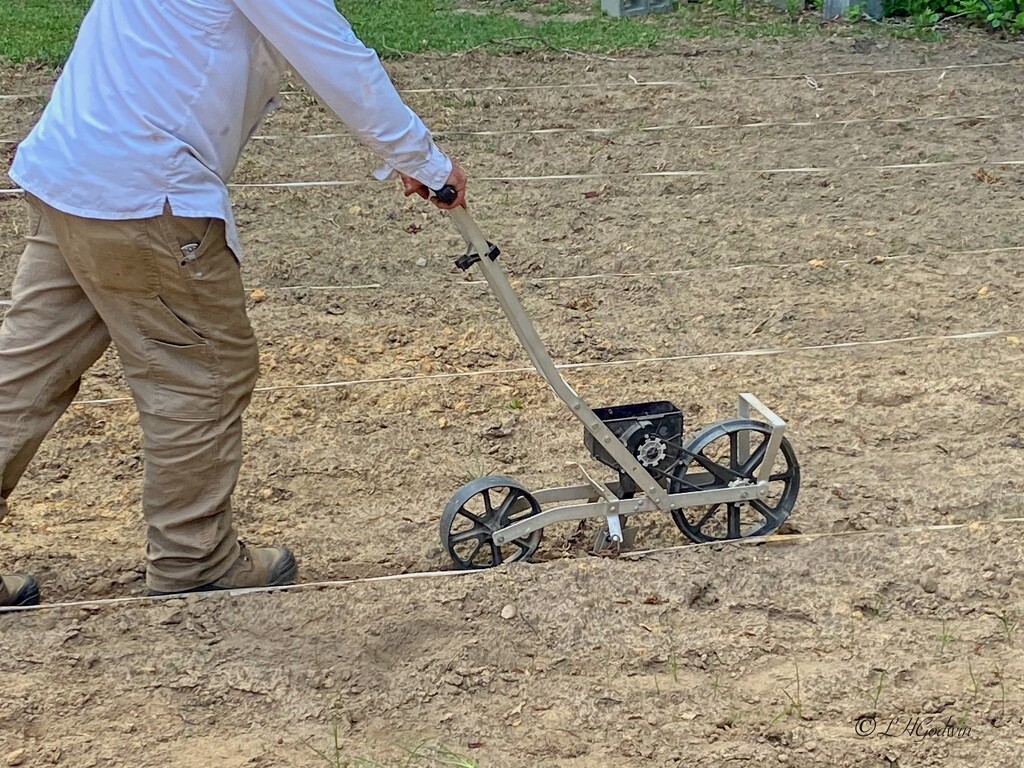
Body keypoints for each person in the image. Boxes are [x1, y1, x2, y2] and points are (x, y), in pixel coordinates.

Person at [0, 0, 467, 608]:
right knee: (203, 373)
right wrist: (425, 161)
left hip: (71, 168)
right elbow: (335, 58)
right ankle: (194, 559)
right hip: (147, 190)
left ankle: (191, 552)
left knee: (23, 370)